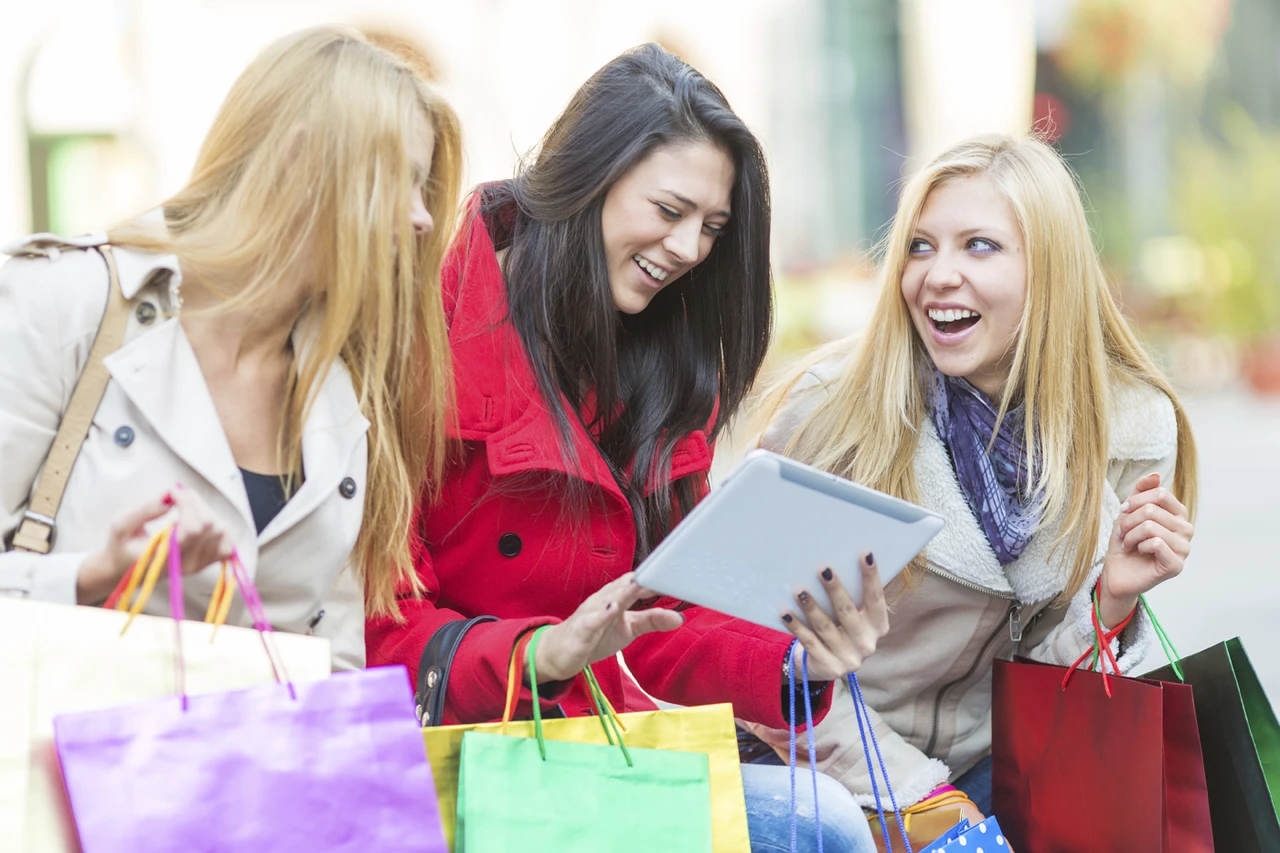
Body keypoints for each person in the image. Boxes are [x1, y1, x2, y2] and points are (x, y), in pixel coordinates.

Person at [367, 44, 883, 852]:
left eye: (712, 228)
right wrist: (539, 654)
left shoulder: (664, 363)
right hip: (457, 758)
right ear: (589, 175)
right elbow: (382, 625)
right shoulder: (423, 342)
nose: (689, 249)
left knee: (822, 820)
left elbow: (663, 614)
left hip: (601, 750)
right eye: (669, 210)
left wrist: (796, 662)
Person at [741, 134, 1198, 825]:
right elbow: (753, 654)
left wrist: (1110, 599)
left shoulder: (1126, 426)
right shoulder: (834, 414)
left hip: (993, 767)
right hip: (829, 769)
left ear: (1051, 270)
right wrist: (924, 802)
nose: (937, 276)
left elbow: (1046, 691)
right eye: (920, 247)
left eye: (979, 246)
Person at [0, 25, 463, 671]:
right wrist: (92, 574)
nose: (422, 217)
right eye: (401, 181)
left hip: (244, 743)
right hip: (53, 730)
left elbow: (332, 660)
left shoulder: (349, 382)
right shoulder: (64, 301)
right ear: (299, 159)